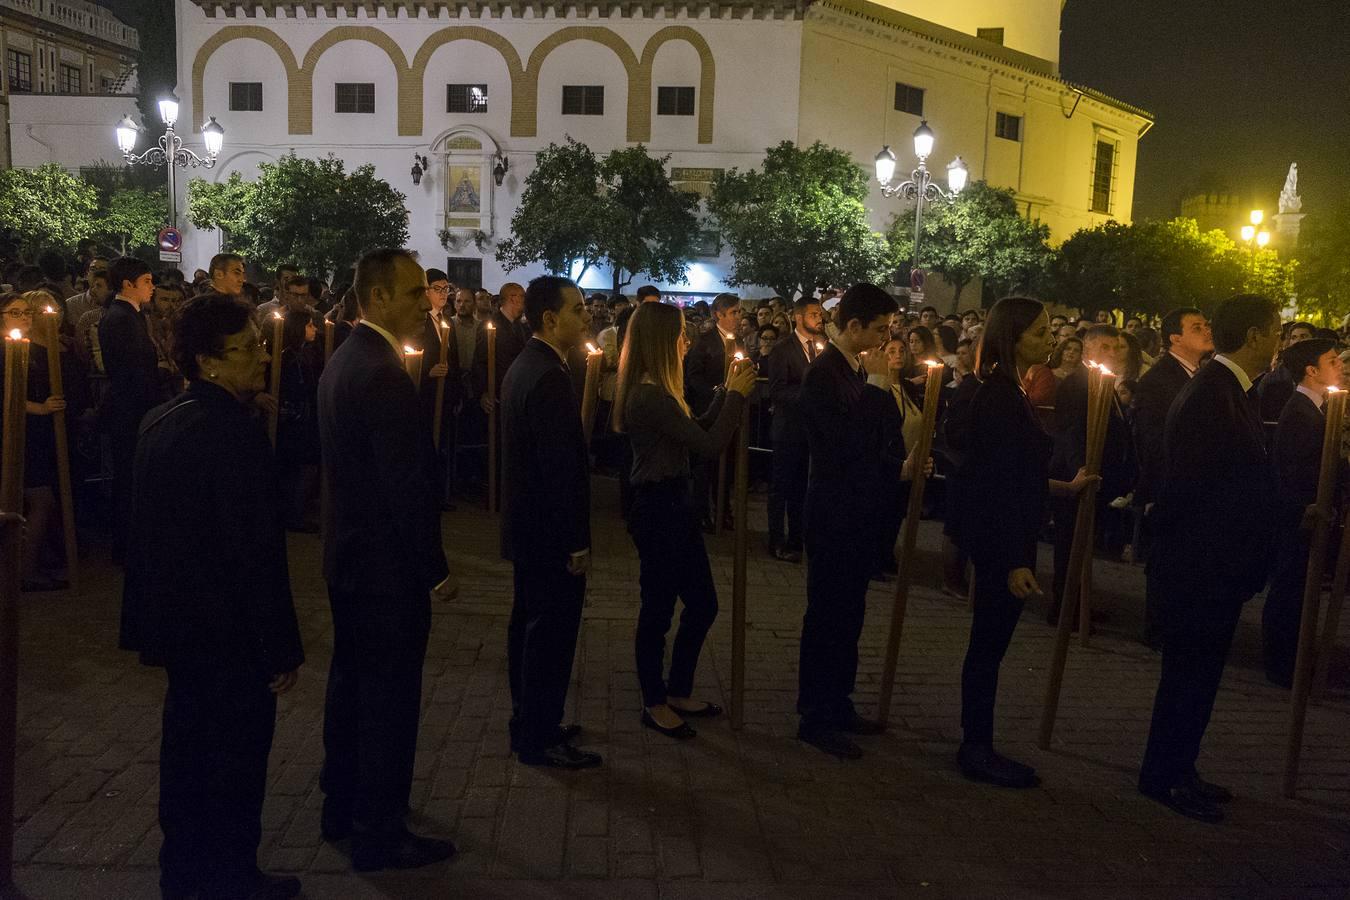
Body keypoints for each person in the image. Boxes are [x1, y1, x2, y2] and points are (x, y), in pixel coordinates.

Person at [120, 292, 304, 900]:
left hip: (180, 630)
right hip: (228, 636)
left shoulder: (161, 419)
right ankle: (231, 876)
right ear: (209, 361)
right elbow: (254, 555)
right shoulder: (232, 437)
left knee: (188, 758)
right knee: (233, 762)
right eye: (248, 348)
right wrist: (279, 646)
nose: (262, 356)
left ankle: (186, 872)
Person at [317, 248, 455, 870]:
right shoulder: (379, 371)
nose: (424, 306)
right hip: (383, 568)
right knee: (387, 700)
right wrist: (435, 568)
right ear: (374, 298)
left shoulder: (350, 358)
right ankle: (379, 829)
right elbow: (405, 485)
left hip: (351, 557)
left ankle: (342, 804)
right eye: (410, 294)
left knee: (352, 686)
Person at [1139, 293, 1281, 824]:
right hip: (1200, 566)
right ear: (1251, 336)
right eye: (1272, 330)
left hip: (1213, 565)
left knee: (1200, 677)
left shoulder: (1229, 389)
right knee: (1186, 677)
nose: (1277, 341)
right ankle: (1163, 776)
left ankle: (1182, 767)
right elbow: (1203, 487)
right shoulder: (1212, 394)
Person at [945, 296, 1095, 788]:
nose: (1049, 339)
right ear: (1012, 337)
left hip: (1008, 538)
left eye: (1049, 330)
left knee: (991, 644)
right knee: (988, 646)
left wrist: (1063, 488)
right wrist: (1013, 561)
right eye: (1037, 332)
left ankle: (978, 742)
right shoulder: (999, 396)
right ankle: (976, 746)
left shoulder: (1013, 391)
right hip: (1002, 544)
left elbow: (1020, 474)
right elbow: (995, 484)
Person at [615, 302, 757, 739]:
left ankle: (678, 689)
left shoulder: (663, 389)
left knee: (703, 603)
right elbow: (710, 445)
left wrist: (723, 393)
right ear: (660, 341)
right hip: (657, 508)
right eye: (679, 334)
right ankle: (654, 700)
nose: (686, 341)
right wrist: (735, 396)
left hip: (676, 504)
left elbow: (695, 432)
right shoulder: (648, 394)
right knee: (657, 608)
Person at [796, 283, 925, 759]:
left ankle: (839, 701)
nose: (888, 336)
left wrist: (902, 467)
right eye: (880, 328)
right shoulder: (824, 374)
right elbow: (843, 445)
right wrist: (875, 388)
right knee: (827, 614)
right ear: (852, 327)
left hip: (858, 511)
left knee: (850, 613)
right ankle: (815, 714)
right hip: (832, 510)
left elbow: (879, 436)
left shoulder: (858, 368)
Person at [499, 276, 602, 768]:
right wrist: (576, 541)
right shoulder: (547, 376)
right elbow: (560, 469)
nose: (587, 317)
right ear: (549, 319)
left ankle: (531, 720)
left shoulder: (530, 365)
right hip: (548, 534)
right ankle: (537, 735)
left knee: (529, 627)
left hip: (528, 529)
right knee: (549, 636)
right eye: (579, 309)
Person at [1264, 338, 1343, 688]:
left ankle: (1292, 659)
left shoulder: (1317, 408)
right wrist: (1303, 507)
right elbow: (1293, 470)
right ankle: (1282, 665)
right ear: (1312, 371)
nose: (1340, 366)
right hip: (1298, 516)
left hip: (1307, 512)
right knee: (1289, 589)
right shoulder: (1300, 412)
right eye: (1332, 361)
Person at [1047, 324, 1136, 625]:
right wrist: (1080, 471)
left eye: (1116, 347)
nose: (1112, 353)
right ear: (1088, 348)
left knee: (1083, 545)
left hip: (1097, 478)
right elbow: (1070, 431)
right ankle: (1064, 609)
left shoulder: (1104, 380)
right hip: (1076, 478)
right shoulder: (1077, 383)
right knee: (1070, 545)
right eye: (1105, 347)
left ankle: (1079, 603)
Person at [1133, 307, 1211, 648]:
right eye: (1197, 327)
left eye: (1206, 324)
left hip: (1192, 487)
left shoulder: (1200, 376)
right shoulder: (1159, 380)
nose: (1207, 330)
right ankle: (1160, 631)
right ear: (1174, 338)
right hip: (1169, 486)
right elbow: (1153, 440)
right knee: (1166, 562)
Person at [100, 256, 172, 564]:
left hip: (138, 407)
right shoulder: (119, 318)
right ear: (128, 284)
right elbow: (132, 371)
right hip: (131, 411)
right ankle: (127, 548)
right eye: (146, 281)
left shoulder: (132, 316)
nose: (152, 287)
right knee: (129, 478)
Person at [0, 292, 68, 591]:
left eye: (27, 313)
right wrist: (39, 407)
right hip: (14, 433)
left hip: (34, 435)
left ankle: (28, 563)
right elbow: (6, 395)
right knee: (39, 500)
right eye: (15, 313)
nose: (25, 318)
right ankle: (23, 571)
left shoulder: (35, 350)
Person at [764, 296, 824, 563]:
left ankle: (797, 539)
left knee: (802, 488)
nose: (819, 318)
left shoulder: (821, 348)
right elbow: (777, 391)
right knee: (782, 487)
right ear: (799, 317)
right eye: (814, 313)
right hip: (789, 429)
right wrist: (810, 394)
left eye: (820, 313)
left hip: (811, 431)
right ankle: (776, 540)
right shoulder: (783, 350)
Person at [684, 292, 741, 531]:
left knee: (726, 465)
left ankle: (723, 509)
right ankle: (701, 512)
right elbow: (693, 376)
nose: (739, 317)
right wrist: (716, 393)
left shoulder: (738, 341)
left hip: (729, 411)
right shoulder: (705, 342)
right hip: (708, 409)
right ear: (719, 314)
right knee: (705, 467)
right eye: (734, 312)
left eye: (740, 312)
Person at [418, 269, 463, 508]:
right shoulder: (418, 320)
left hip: (445, 395)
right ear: (426, 291)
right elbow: (410, 354)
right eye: (438, 288)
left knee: (443, 445)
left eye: (446, 289)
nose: (444, 293)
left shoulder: (446, 321)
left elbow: (453, 359)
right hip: (425, 395)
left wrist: (455, 393)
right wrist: (427, 371)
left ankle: (440, 493)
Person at [276, 309, 322, 532]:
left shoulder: (304, 353)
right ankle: (293, 513)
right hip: (295, 422)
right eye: (310, 325)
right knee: (299, 467)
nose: (315, 329)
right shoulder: (289, 357)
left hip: (304, 418)